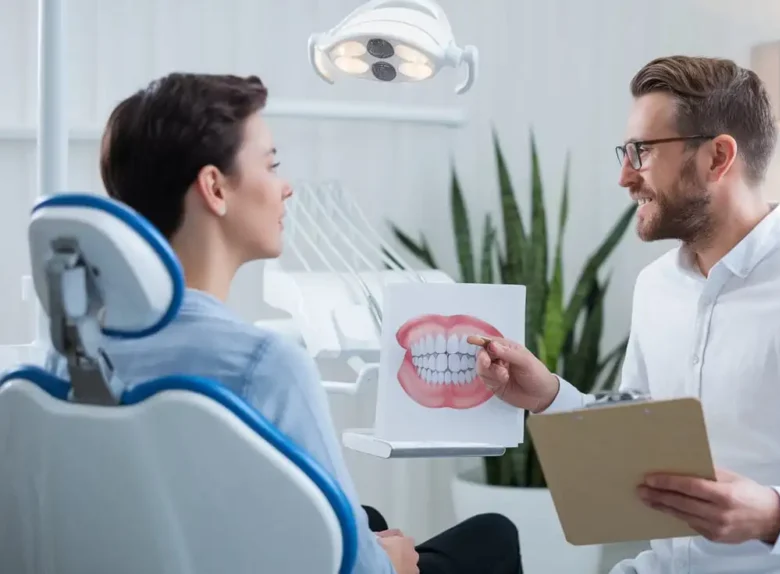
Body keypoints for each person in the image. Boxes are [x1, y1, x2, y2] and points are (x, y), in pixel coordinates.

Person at [43, 72, 523, 574]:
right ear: (214, 188)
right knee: (491, 535)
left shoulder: (73, 355)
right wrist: (396, 564)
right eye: (271, 165)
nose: (286, 187)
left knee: (368, 517)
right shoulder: (263, 366)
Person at [473, 56, 780, 574]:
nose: (625, 176)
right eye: (626, 152)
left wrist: (775, 514)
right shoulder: (656, 288)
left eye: (642, 152)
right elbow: (636, 430)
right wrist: (549, 397)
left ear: (717, 157)